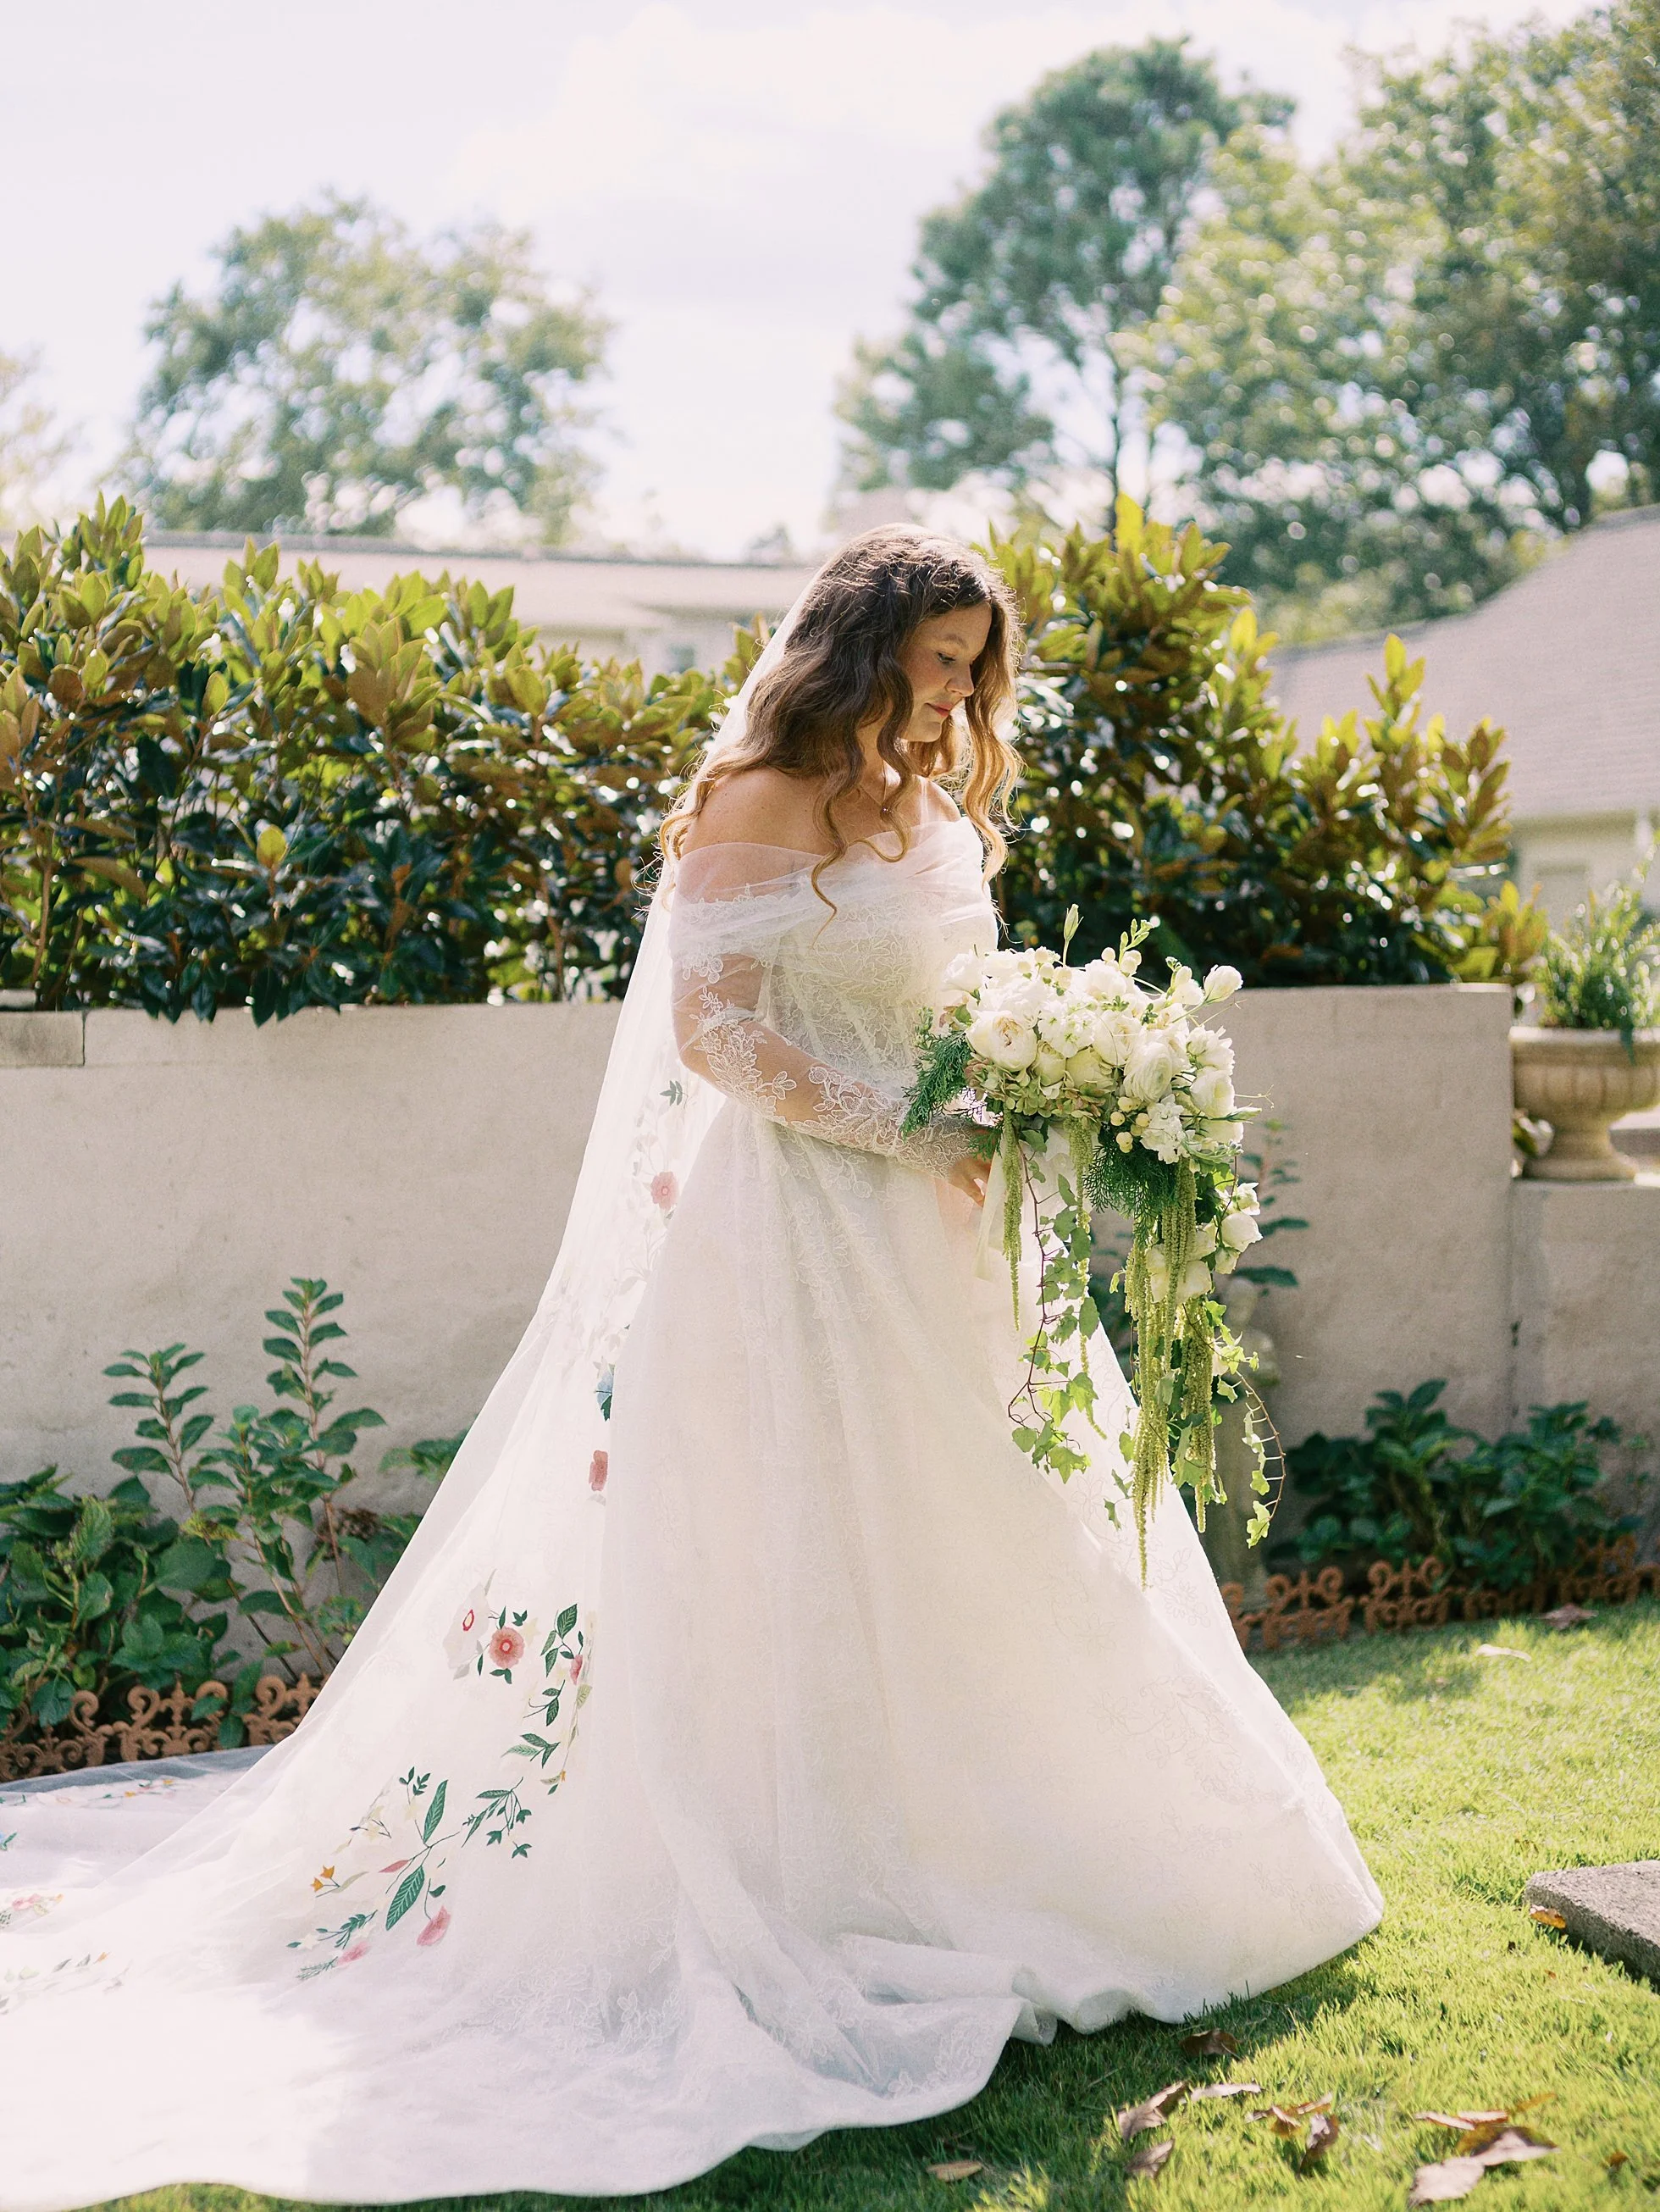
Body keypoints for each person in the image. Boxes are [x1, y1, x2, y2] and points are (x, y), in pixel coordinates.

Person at [0, 527, 1381, 2211]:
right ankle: (821, 1884)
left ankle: (1019, 1852)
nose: (953, 691)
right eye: (931, 660)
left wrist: (1047, 1082)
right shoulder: (760, 792)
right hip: (805, 1222)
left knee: (996, 1533)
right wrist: (915, 1124)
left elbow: (957, 989)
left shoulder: (931, 793)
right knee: (807, 1544)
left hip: (958, 1230)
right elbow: (715, 1037)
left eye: (969, 666)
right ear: (854, 647)